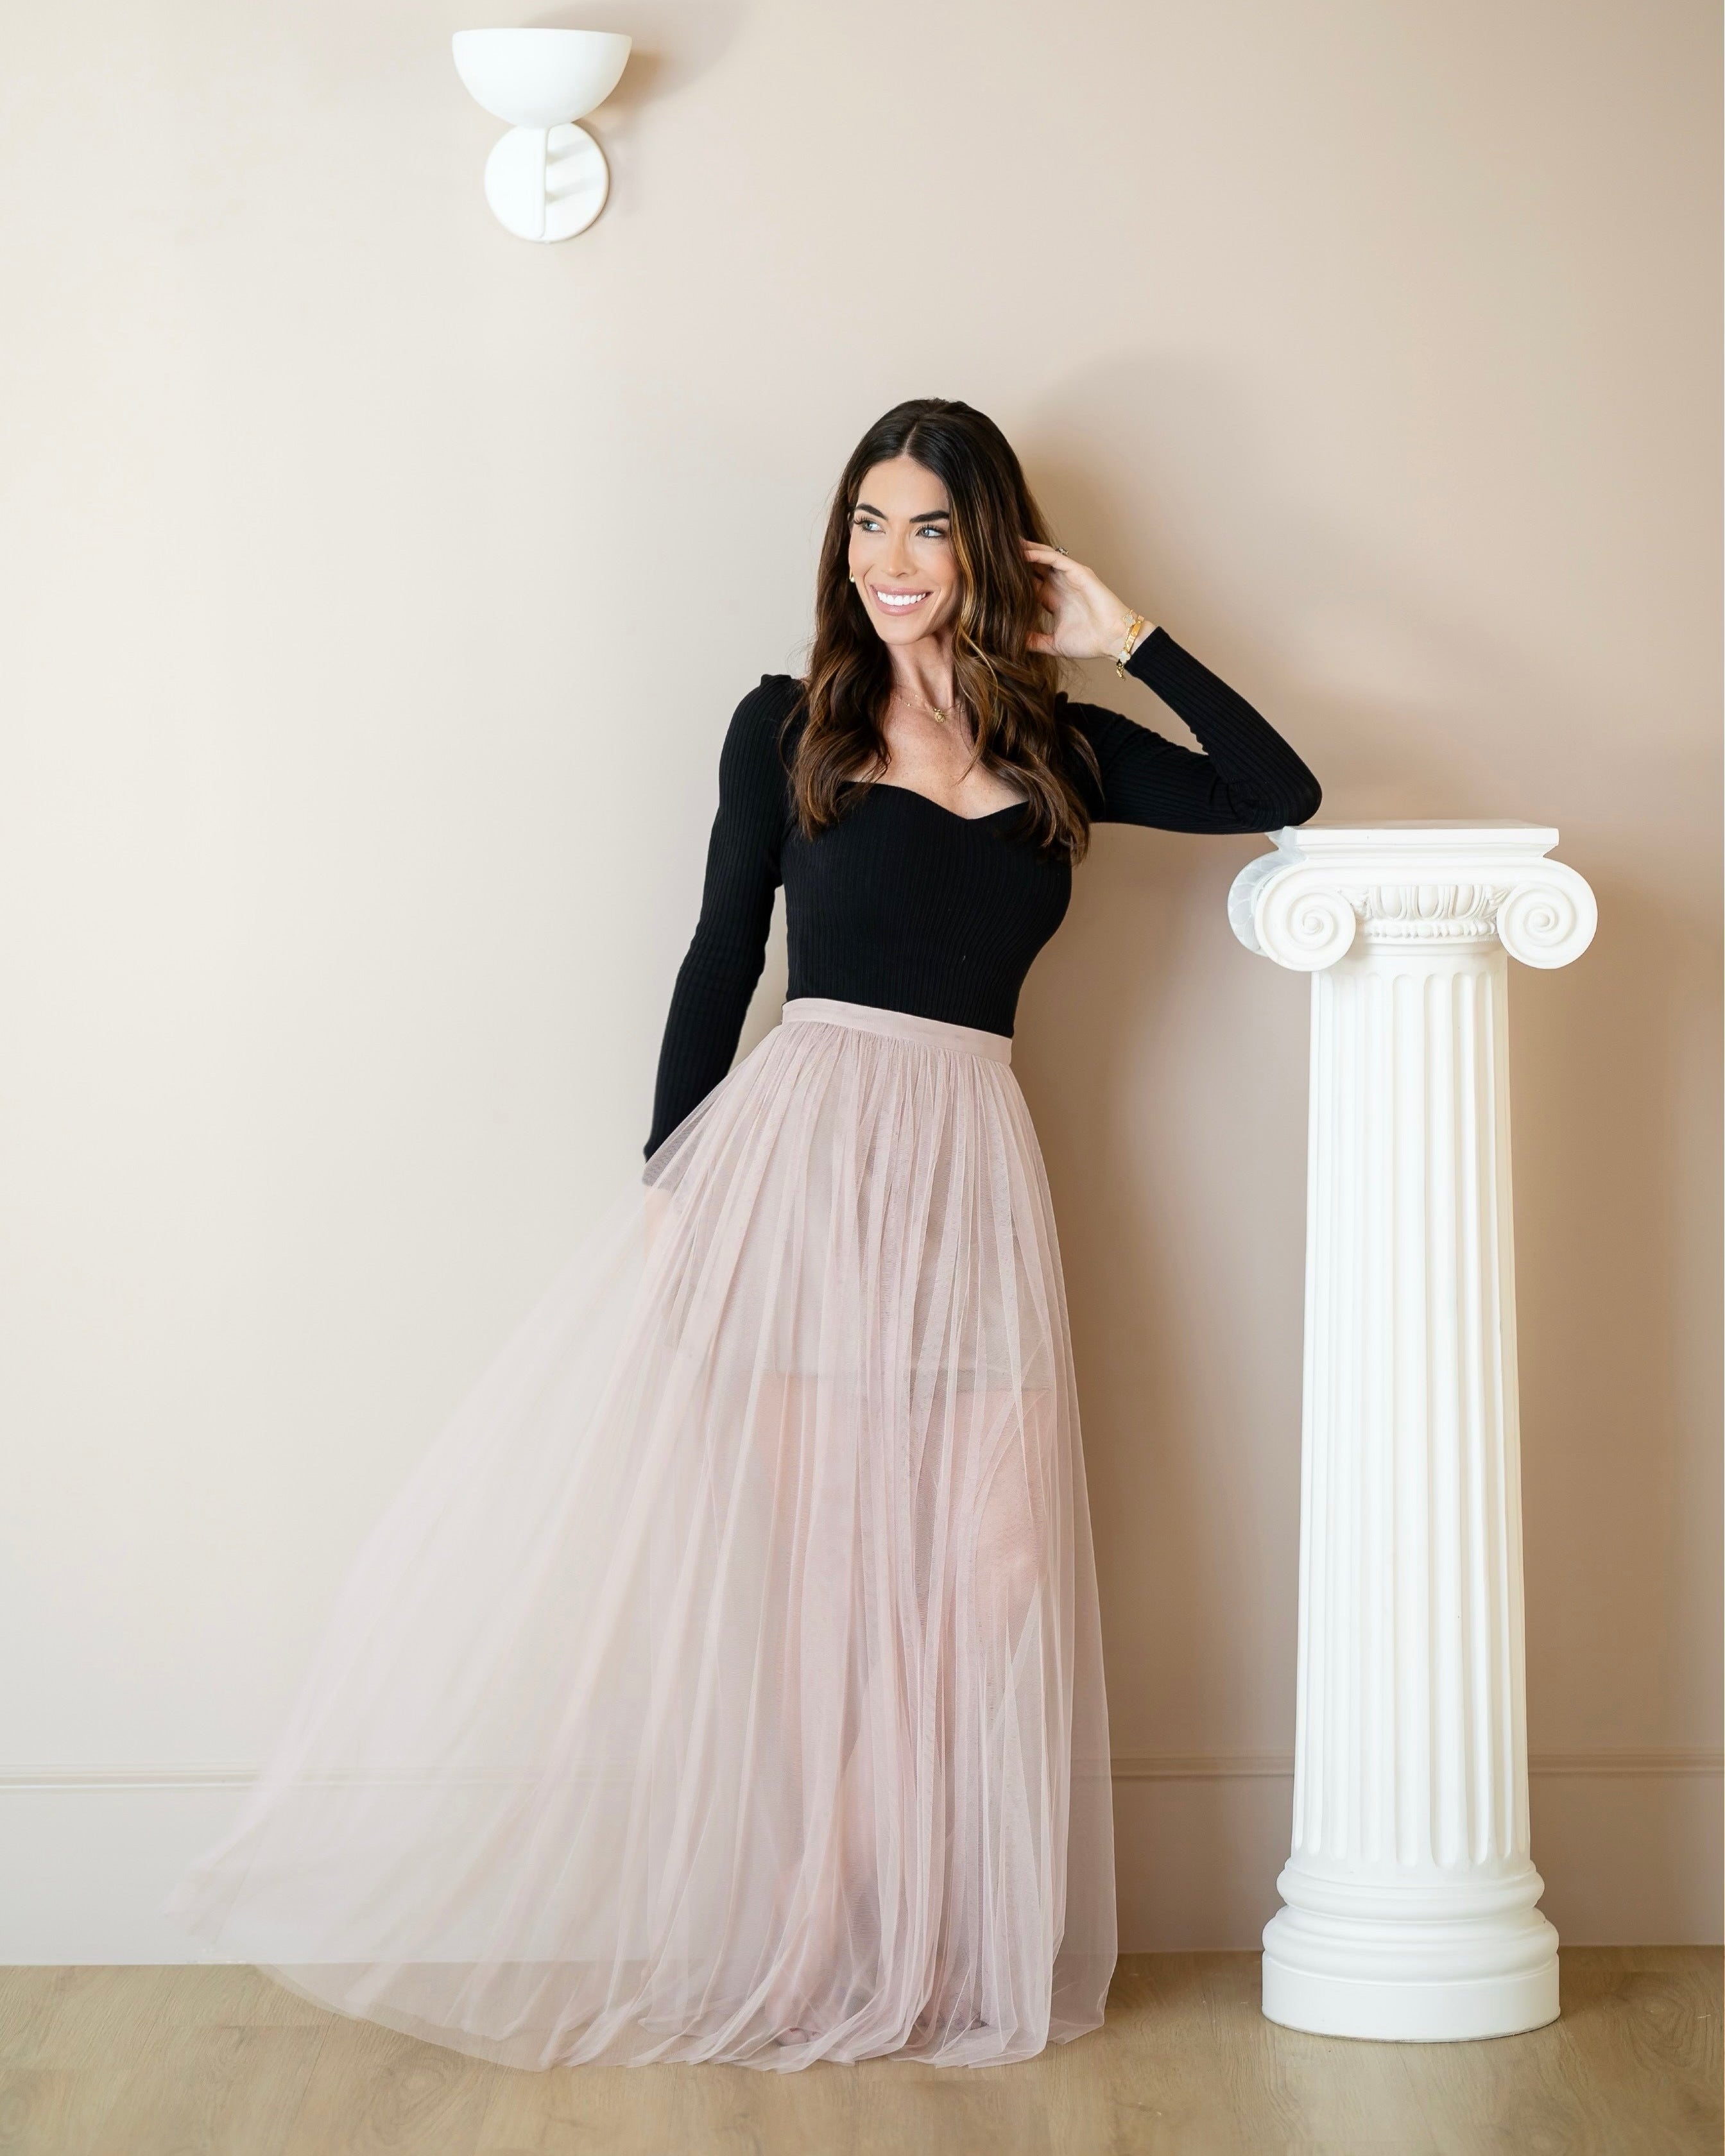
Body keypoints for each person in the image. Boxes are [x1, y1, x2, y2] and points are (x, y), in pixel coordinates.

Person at [167, 398, 1321, 2072]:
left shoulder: (1067, 750)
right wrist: (674, 1194)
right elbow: (718, 961)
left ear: (990, 548)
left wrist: (1130, 632)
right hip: (804, 1158)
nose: (894, 560)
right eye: (867, 522)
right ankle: (823, 1942)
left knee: (985, 1584)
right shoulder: (785, 724)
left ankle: (931, 1938)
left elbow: (1279, 788)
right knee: (838, 1600)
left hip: (973, 1168)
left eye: (929, 526)